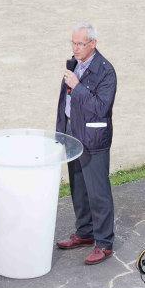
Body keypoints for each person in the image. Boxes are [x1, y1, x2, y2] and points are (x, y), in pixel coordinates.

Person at [56, 23, 117, 266]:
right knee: (79, 188)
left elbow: (101, 108)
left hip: (93, 138)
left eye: (81, 43)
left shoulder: (106, 71)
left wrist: (77, 87)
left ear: (93, 43)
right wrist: (61, 131)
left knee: (98, 191)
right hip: (72, 133)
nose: (76, 48)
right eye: (73, 42)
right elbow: (65, 104)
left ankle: (104, 243)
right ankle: (84, 232)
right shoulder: (74, 65)